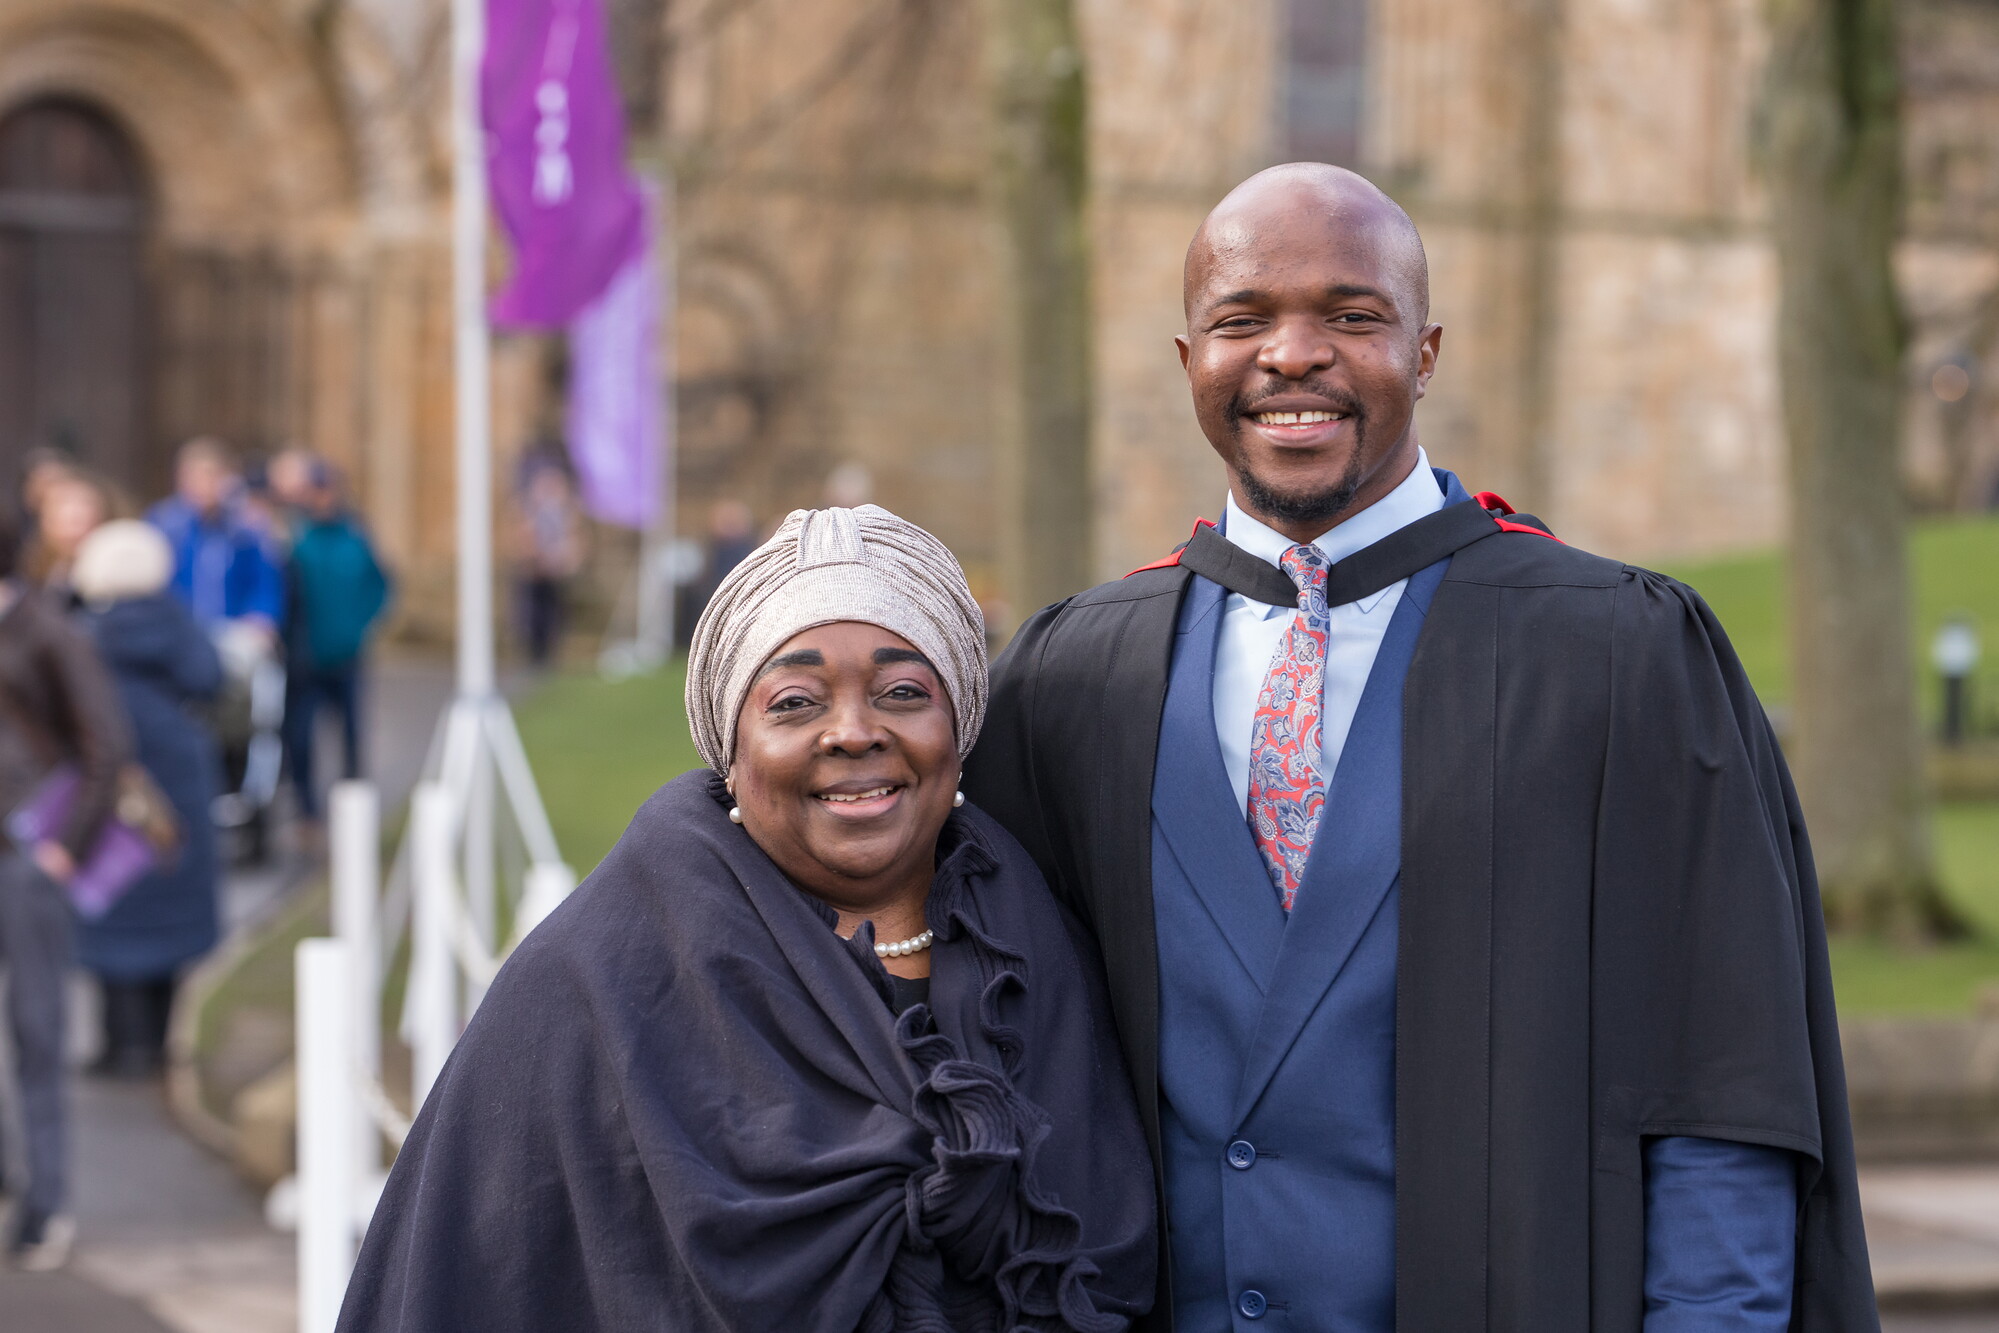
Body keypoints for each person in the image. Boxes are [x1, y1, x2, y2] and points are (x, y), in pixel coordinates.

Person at [965, 163, 1877, 1331]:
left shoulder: (1619, 655)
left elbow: (1721, 1087)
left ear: (1427, 350)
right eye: (1241, 320)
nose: (1292, 355)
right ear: (1186, 357)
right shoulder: (1072, 678)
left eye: (1351, 315)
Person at [339, 505, 1156, 1332]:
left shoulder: (1048, 958)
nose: (853, 731)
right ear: (731, 749)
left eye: (902, 691)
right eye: (796, 702)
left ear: (960, 722)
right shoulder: (596, 981)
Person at [0, 511, 131, 1268]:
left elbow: (106, 745)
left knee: (37, 1029)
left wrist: (63, 848)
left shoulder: (47, 630)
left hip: (29, 857)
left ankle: (47, 1206)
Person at [71, 521, 225, 1078]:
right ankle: (158, 1044)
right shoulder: (178, 623)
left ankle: (120, 1045)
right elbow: (210, 678)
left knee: (113, 897)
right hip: (178, 772)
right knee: (170, 896)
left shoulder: (87, 633)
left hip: (110, 777)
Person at [282, 460, 390, 830]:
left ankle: (355, 817)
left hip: (347, 654)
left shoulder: (356, 536)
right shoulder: (296, 538)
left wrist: (361, 624)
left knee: (351, 738)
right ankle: (307, 812)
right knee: (300, 739)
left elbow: (379, 584)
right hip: (305, 657)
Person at [147, 437, 286, 637]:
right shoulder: (162, 524)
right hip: (176, 633)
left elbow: (263, 581)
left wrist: (261, 618)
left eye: (212, 476)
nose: (204, 484)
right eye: (194, 476)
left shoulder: (245, 528)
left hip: (231, 632)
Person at [509, 456, 585, 668]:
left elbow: (572, 536)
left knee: (553, 613)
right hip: (534, 570)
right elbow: (524, 536)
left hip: (553, 571)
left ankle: (547, 655)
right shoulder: (530, 508)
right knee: (532, 614)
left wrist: (566, 558)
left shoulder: (563, 510)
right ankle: (533, 655)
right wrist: (533, 558)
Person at [21, 468, 116, 605]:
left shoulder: (117, 576)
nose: (72, 532)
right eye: (59, 518)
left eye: (78, 519)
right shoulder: (38, 573)